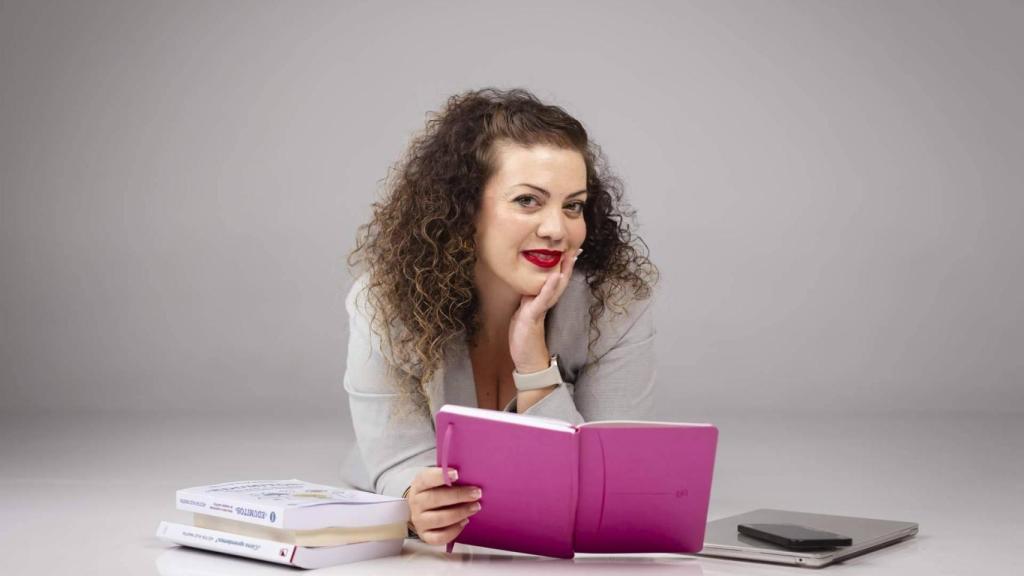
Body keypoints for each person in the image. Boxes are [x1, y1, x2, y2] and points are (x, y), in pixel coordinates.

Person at [342, 88, 659, 546]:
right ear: (464, 209)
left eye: (573, 205)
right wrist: (415, 502)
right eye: (528, 201)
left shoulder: (617, 304)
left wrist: (533, 358)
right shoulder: (383, 304)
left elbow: (604, 486)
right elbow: (397, 462)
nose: (556, 229)